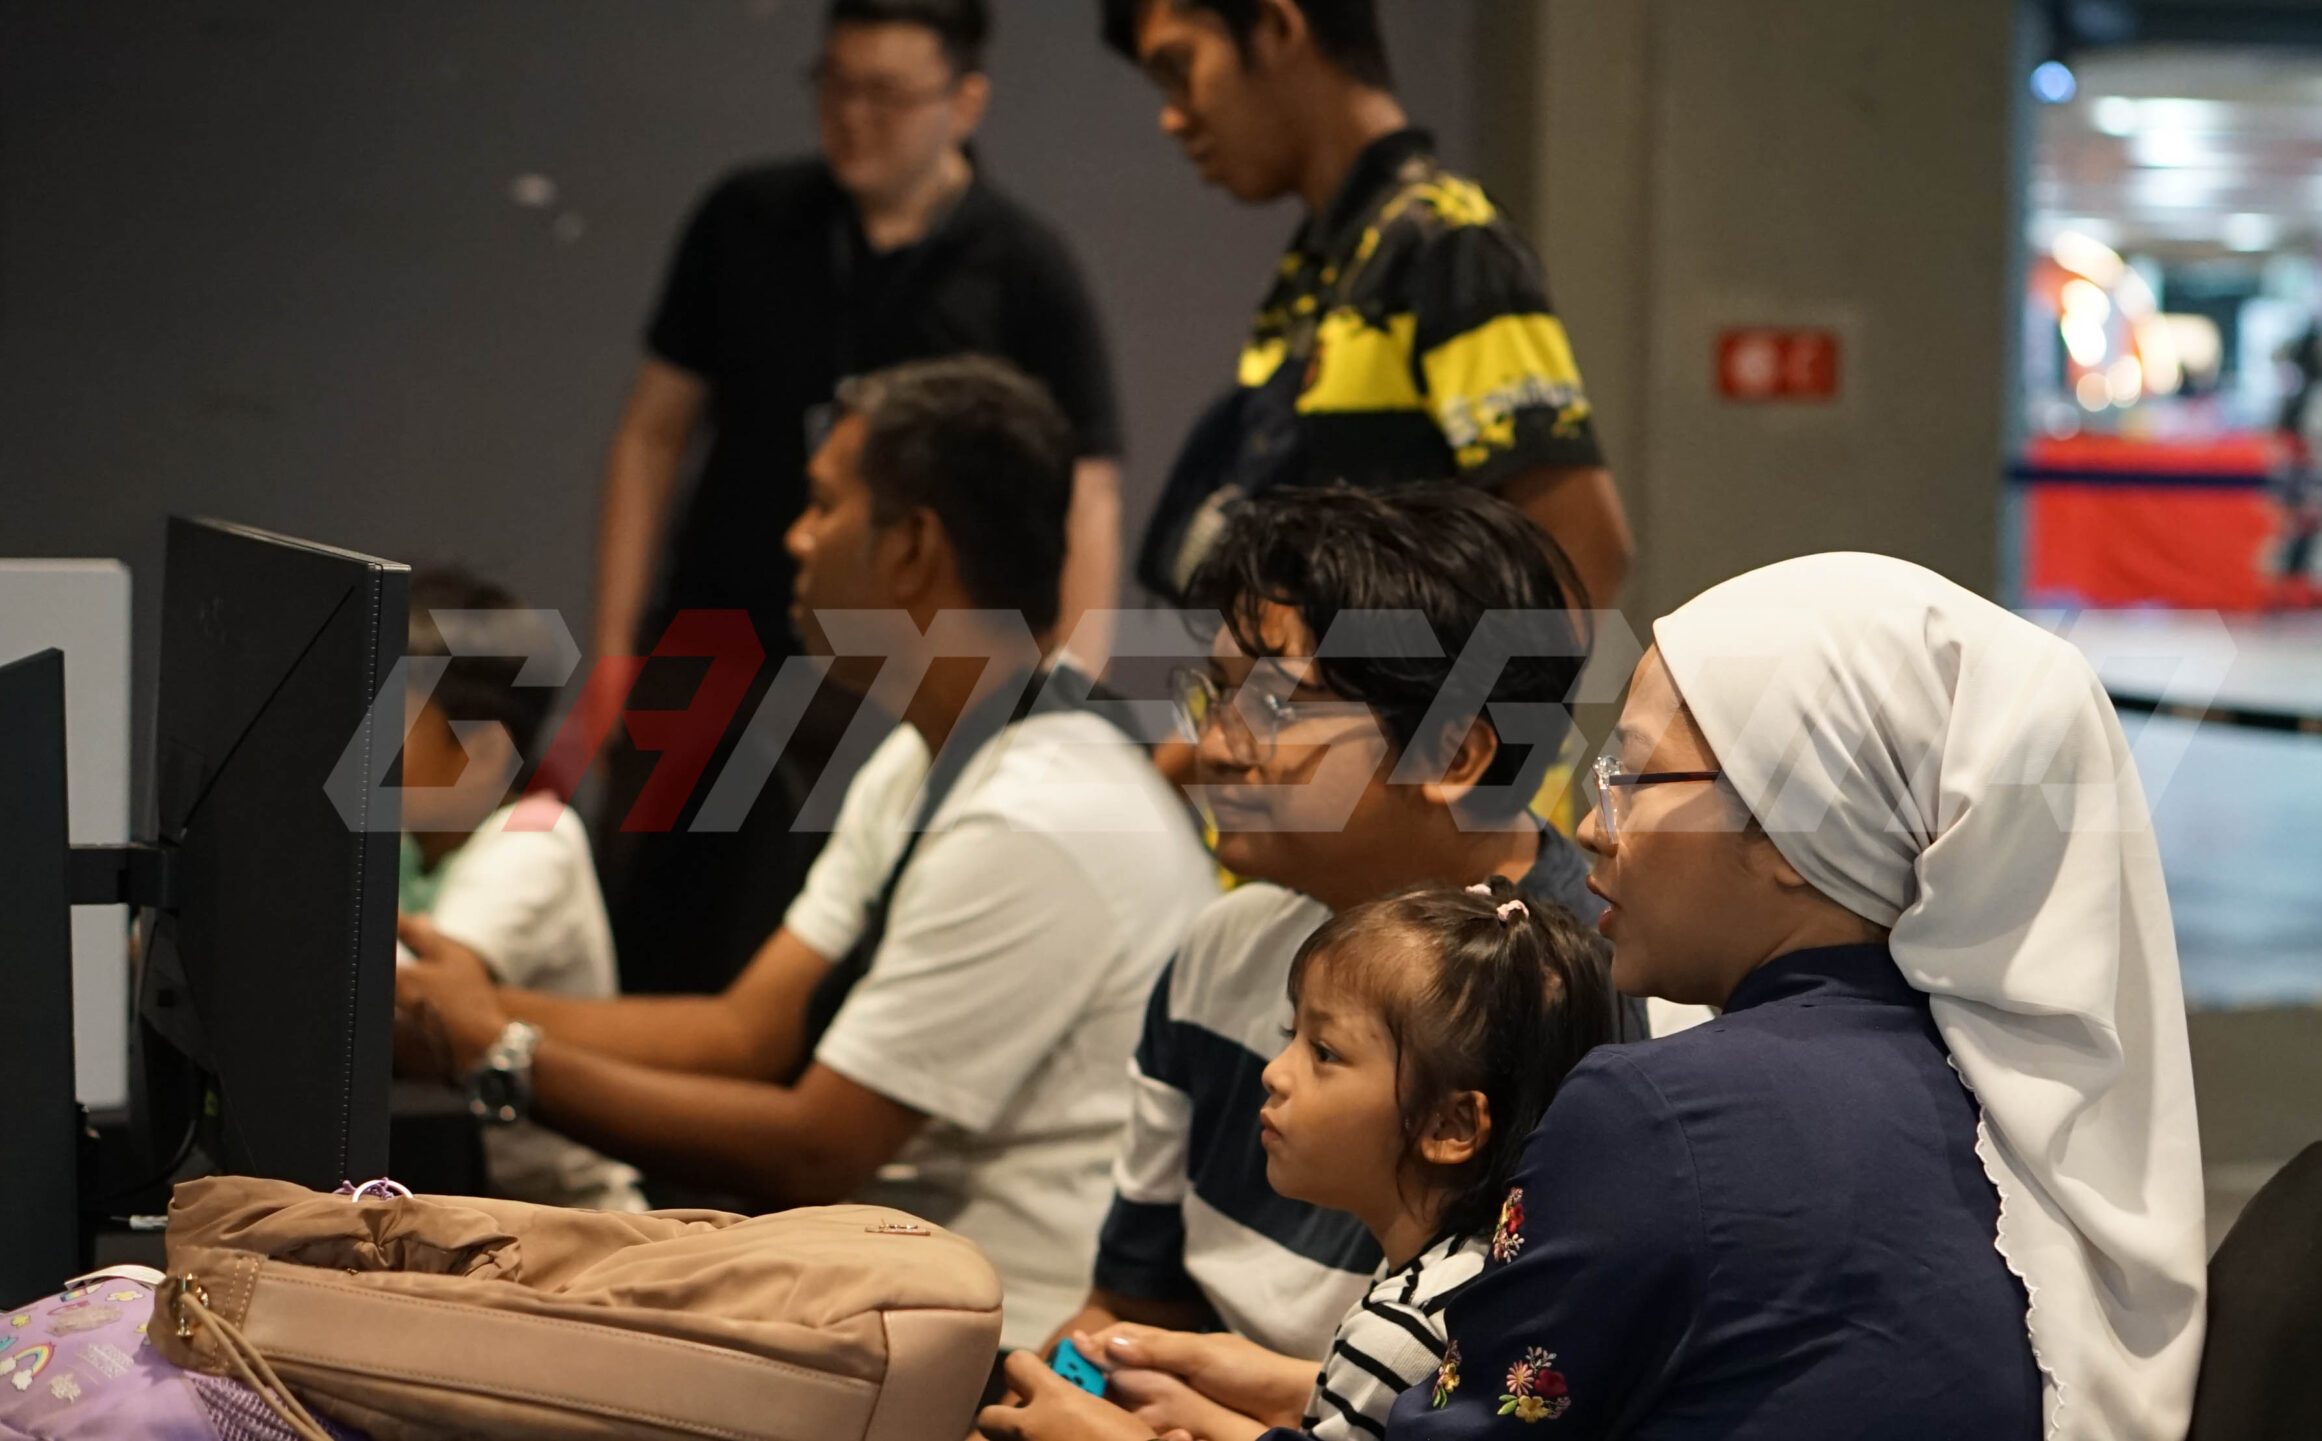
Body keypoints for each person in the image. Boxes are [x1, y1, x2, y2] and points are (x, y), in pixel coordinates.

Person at [396, 358, 1218, 1348]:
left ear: (912, 547)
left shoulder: (1034, 815)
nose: (794, 536)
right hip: (886, 1286)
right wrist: (456, 1008)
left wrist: (493, 1050)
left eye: (823, 504)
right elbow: (747, 1029)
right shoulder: (927, 757)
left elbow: (818, 1147)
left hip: (997, 1346)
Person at [1399, 553, 2206, 1438]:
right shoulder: (2014, 1113)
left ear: (1796, 823)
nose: (1595, 826)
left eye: (1632, 777)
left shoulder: (1655, 1116)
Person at [593, 0, 1125, 996]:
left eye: (887, 93)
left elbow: (1087, 490)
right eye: (835, 85)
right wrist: (619, 645)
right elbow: (652, 431)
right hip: (713, 635)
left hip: (886, 671)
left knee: (833, 949)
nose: (852, 116)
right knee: (648, 919)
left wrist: (1061, 691)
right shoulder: (747, 219)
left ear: (965, 100)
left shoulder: (1023, 270)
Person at [1052, 483, 1647, 1362]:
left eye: (1275, 707)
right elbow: (1126, 1309)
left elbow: (1530, 1389)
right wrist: (1048, 1397)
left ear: (1453, 753)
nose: (1214, 746)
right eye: (1218, 693)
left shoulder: (1603, 1002)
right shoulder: (1224, 944)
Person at [981, 879, 1617, 1441]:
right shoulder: (1466, 1272)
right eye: (1293, 1036)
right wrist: (1186, 1405)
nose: (1274, 1074)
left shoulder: (1400, 1332)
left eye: (1325, 1053)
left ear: (1449, 1127)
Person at [1104, 0, 1635, 611]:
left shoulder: (1447, 242)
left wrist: (1466, 683)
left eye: (1180, 66)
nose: (1172, 117)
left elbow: (1584, 548)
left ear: (1277, 27)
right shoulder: (1321, 266)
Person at [397, 566, 648, 1214]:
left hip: (570, 1224)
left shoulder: (538, 839)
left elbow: (411, 1003)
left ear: (481, 754)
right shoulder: (410, 842)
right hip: (462, 1199)